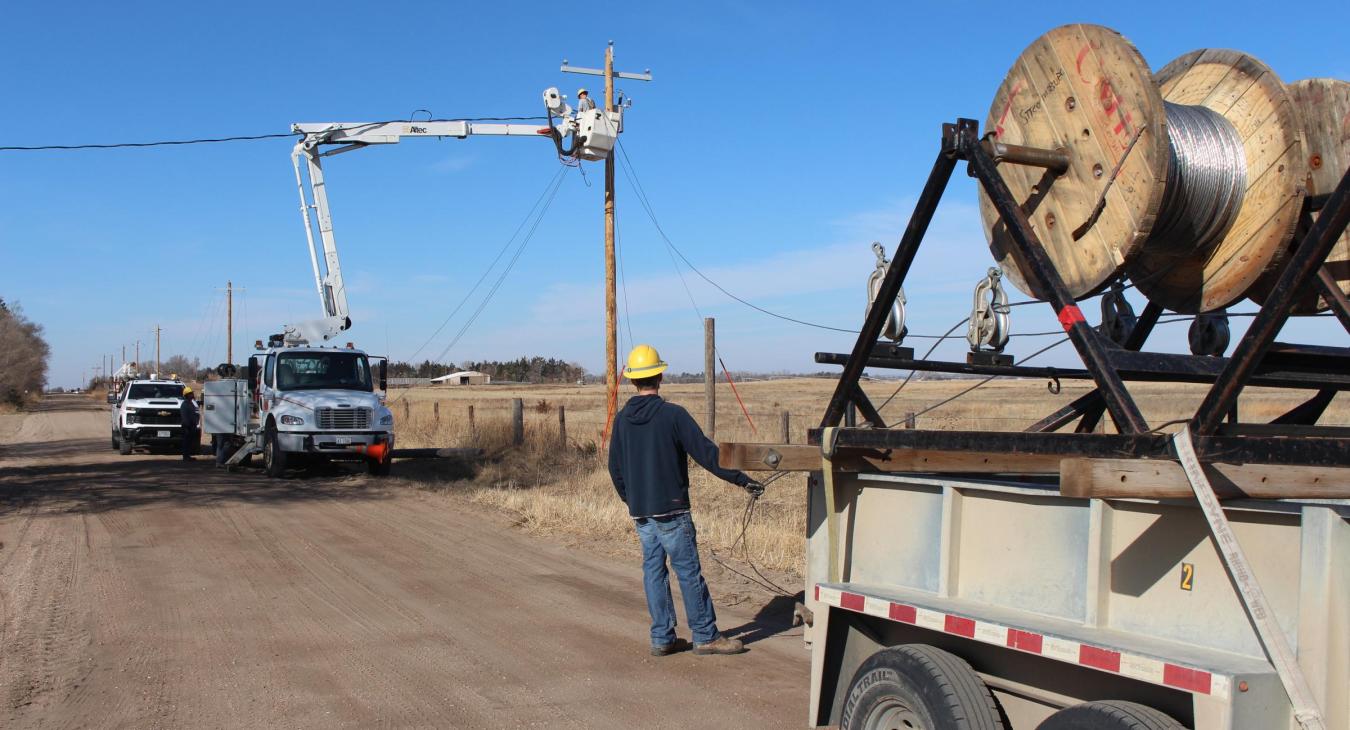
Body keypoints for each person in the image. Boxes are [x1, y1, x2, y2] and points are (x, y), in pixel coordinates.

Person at [608, 344, 764, 657]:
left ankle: (662, 638)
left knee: (654, 572)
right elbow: (708, 455)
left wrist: (633, 500)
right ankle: (705, 635)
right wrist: (742, 479)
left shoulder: (623, 420)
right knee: (688, 571)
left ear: (632, 380)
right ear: (660, 376)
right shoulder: (673, 415)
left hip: (642, 514)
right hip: (671, 509)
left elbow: (615, 468)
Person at [180, 386, 200, 461]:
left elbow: (194, 414)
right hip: (187, 427)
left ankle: (187, 456)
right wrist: (187, 426)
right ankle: (185, 457)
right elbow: (185, 416)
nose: (192, 395)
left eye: (192, 393)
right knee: (186, 442)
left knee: (189, 442)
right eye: (190, 393)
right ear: (187, 395)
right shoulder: (185, 404)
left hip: (191, 426)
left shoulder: (191, 403)